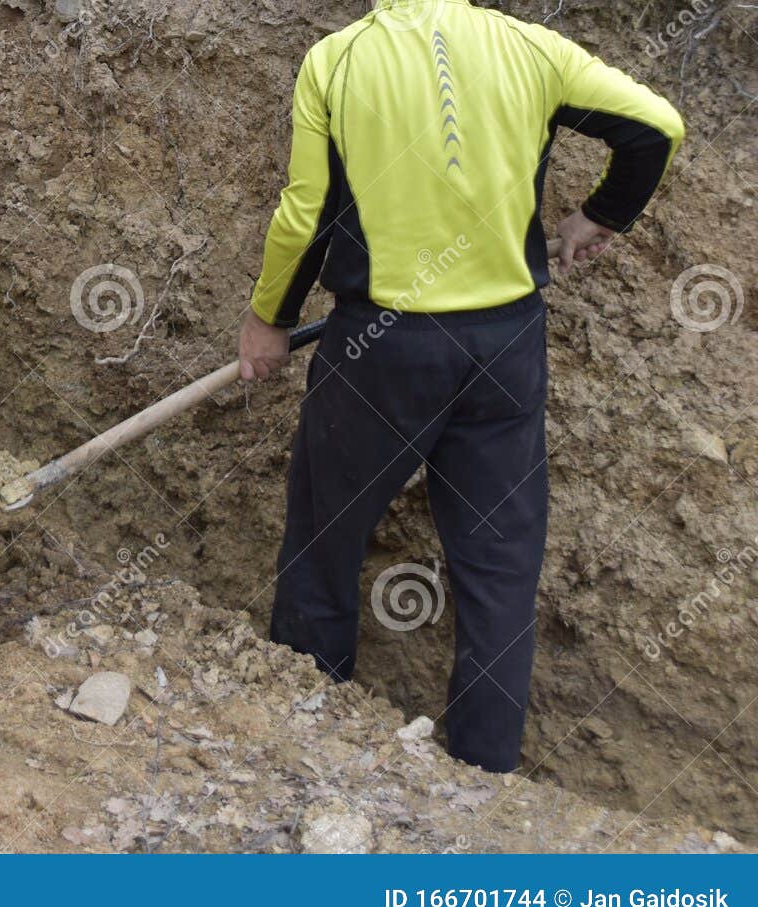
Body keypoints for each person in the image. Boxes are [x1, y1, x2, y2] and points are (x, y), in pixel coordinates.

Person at [239, 0, 683, 772]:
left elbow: (305, 213)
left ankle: (304, 747)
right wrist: (601, 215)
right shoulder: (533, 50)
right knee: (500, 569)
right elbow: (655, 126)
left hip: (382, 349)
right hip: (505, 345)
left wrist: (269, 319)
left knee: (324, 539)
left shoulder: (338, 60)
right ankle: (485, 778)